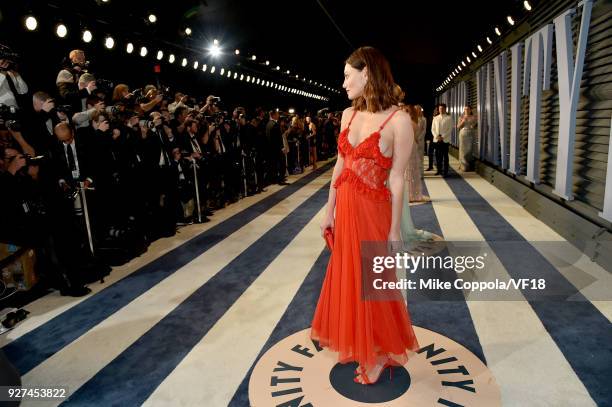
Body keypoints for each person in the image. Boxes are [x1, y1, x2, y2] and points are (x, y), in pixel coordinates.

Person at [312, 46, 419, 385]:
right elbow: (340, 167)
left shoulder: (400, 121)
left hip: (374, 212)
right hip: (346, 210)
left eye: (347, 76)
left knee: (373, 284)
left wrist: (394, 230)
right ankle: (363, 346)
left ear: (367, 74)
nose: (343, 83)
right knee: (349, 279)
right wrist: (329, 212)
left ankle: (376, 354)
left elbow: (398, 179)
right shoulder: (348, 115)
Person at [404, 105, 430, 202]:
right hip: (413, 145)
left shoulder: (407, 123)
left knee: (408, 170)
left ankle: (408, 194)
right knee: (412, 169)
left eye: (406, 111)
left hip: (408, 146)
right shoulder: (414, 123)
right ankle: (412, 193)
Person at [431, 103, 452, 176]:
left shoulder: (449, 118)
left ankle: (445, 171)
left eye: (442, 108)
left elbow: (449, 129)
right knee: (437, 156)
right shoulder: (435, 118)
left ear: (445, 109)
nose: (441, 110)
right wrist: (436, 136)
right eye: (440, 108)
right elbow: (432, 129)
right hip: (436, 139)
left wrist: (442, 136)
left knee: (445, 156)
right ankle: (439, 170)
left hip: (445, 139)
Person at [457, 105, 477, 171]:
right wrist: (463, 121)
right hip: (463, 134)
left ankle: (469, 165)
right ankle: (463, 166)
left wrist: (474, 126)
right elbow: (458, 126)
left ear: (470, 110)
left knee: (470, 149)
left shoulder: (474, 117)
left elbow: (475, 126)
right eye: (465, 109)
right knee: (462, 149)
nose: (466, 110)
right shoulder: (461, 117)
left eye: (468, 109)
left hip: (471, 134)